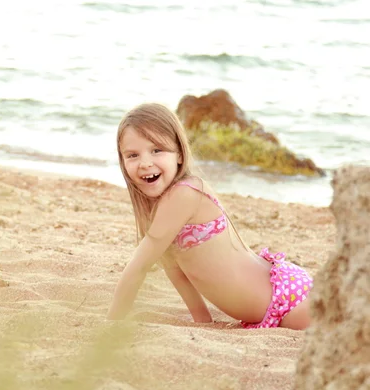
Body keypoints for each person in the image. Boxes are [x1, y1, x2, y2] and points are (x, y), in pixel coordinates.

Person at [106, 103, 313, 329]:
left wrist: (111, 324)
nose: (145, 163)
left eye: (157, 150)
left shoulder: (184, 194)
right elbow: (175, 268)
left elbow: (137, 268)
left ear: (178, 154)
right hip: (272, 302)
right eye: (132, 155)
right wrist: (201, 319)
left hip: (284, 300)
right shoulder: (160, 207)